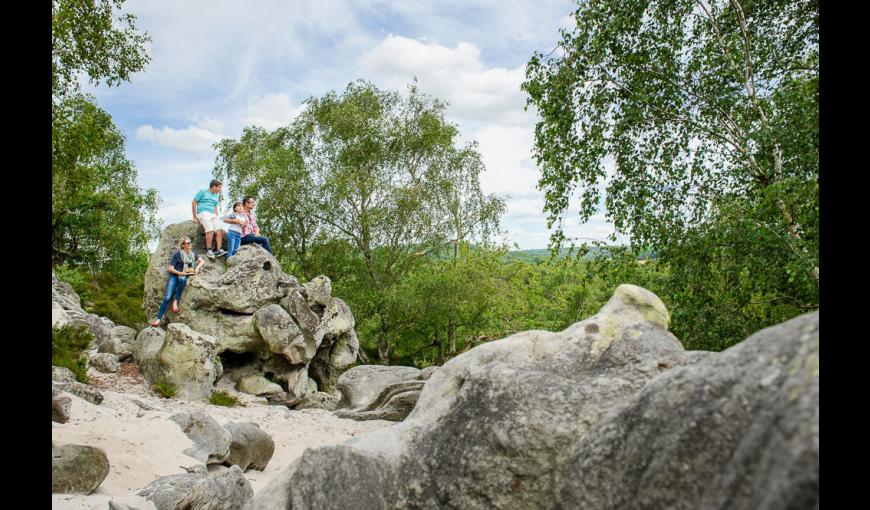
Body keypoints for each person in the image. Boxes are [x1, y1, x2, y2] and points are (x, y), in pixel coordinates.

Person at [151, 237, 205, 327]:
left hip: (183, 275)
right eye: (187, 243)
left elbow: (202, 261)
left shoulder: (193, 254)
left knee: (183, 279)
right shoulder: (178, 254)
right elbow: (170, 268)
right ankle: (158, 319)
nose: (190, 244)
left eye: (190, 243)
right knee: (168, 297)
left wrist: (197, 268)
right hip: (174, 275)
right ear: (183, 245)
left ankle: (175, 301)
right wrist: (180, 273)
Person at [192, 179, 226, 260]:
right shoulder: (202, 192)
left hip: (212, 214)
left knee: (219, 230)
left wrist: (216, 215)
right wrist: (194, 217)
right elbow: (194, 202)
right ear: (214, 186)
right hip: (203, 212)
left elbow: (215, 206)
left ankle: (219, 250)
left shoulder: (216, 195)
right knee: (210, 230)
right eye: (219, 188)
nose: (220, 189)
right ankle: (209, 250)